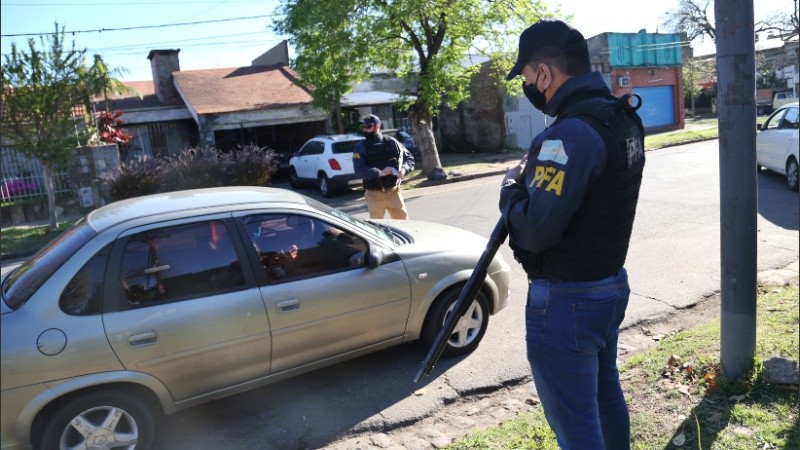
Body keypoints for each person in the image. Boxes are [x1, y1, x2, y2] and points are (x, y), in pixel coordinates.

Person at [499, 19, 646, 450]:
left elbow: (535, 231)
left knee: (576, 427)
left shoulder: (568, 134)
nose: (530, 87)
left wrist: (510, 189)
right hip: (609, 286)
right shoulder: (622, 118)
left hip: (567, 304)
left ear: (544, 73)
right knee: (604, 396)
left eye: (528, 77)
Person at [352, 114, 416, 219]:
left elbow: (409, 158)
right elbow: (359, 170)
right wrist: (379, 173)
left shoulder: (391, 142)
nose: (365, 129)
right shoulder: (360, 147)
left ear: (377, 126)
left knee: (404, 224)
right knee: (378, 228)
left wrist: (404, 169)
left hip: (393, 191)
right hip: (374, 194)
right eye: (363, 127)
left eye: (368, 126)